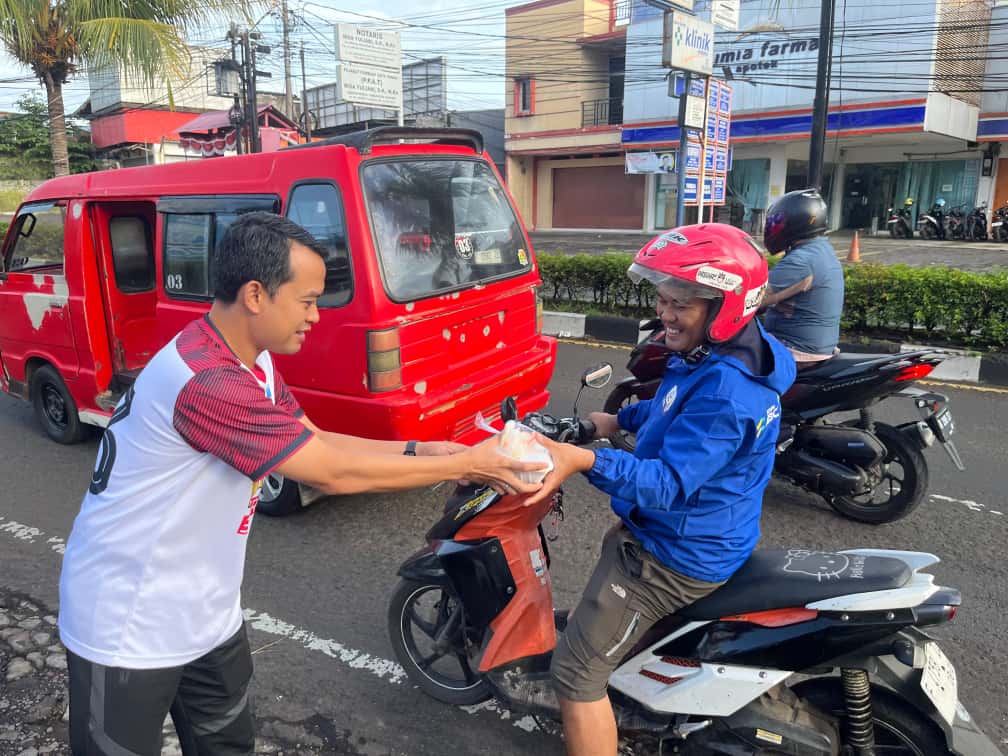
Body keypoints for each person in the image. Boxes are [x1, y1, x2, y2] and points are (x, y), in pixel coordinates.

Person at [58, 212, 546, 756]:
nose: (316, 315)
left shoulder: (250, 361)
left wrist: (423, 449)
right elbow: (330, 473)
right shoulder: (207, 382)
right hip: (127, 618)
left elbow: (318, 439)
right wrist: (470, 465)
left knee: (227, 745)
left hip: (204, 611)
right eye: (308, 299)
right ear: (255, 295)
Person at [536, 224, 797, 756]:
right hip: (701, 531)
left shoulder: (728, 391)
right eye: (663, 299)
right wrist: (615, 419)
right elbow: (674, 409)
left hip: (673, 556)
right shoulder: (735, 353)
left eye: (681, 304)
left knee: (576, 673)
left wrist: (582, 458)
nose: (667, 314)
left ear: (723, 307)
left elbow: (667, 485)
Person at [760, 189, 845, 369]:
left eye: (778, 222)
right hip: (813, 347)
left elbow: (753, 300)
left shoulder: (802, 261)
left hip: (795, 351)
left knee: (727, 364)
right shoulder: (819, 250)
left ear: (797, 224)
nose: (774, 227)